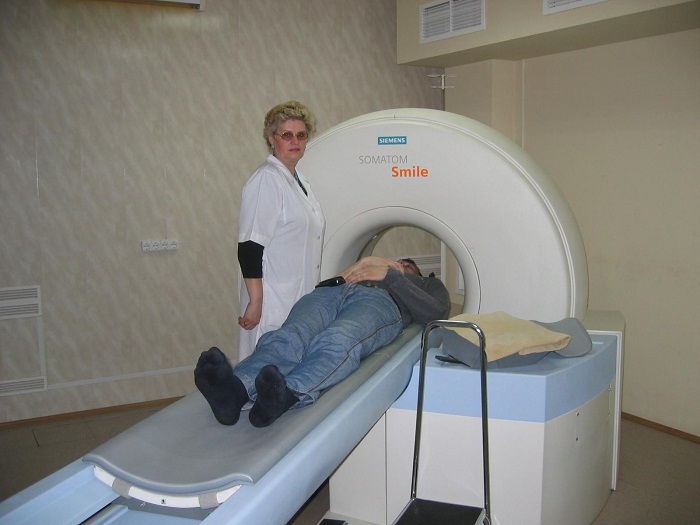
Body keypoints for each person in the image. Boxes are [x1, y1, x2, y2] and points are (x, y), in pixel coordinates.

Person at [195, 256, 450, 428]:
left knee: (337, 339)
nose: (401, 263)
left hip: (380, 303)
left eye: (408, 264)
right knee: (290, 335)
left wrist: (392, 276)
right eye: (398, 261)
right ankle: (235, 392)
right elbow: (328, 283)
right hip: (331, 293)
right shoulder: (366, 267)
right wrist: (362, 265)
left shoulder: (427, 283)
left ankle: (286, 395)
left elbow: (437, 312)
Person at [237, 101, 325, 361]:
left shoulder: (299, 181)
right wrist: (256, 302)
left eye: (301, 135)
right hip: (273, 301)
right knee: (266, 367)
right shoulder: (267, 179)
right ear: (271, 138)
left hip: (298, 298)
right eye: (286, 135)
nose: (295, 141)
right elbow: (249, 247)